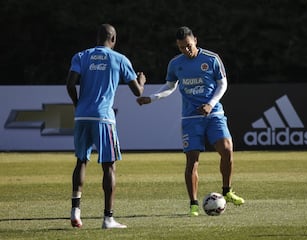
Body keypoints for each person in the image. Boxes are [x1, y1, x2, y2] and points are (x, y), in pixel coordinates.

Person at [136, 26, 244, 216]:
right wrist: (151, 98)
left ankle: (227, 191)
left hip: (214, 114)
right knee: (192, 161)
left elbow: (223, 83)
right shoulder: (175, 64)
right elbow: (170, 86)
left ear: (195, 40)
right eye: (181, 48)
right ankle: (193, 204)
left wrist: (210, 104)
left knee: (227, 150)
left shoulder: (211, 59)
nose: (186, 50)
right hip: (190, 118)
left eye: (188, 46)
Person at [66, 23, 146, 228]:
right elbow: (138, 92)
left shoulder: (81, 56)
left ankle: (75, 212)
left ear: (97, 38)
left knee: (81, 161)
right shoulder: (119, 59)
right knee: (109, 166)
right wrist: (142, 81)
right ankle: (108, 218)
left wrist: (78, 105)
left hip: (82, 116)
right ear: (113, 39)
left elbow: (69, 84)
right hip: (103, 118)